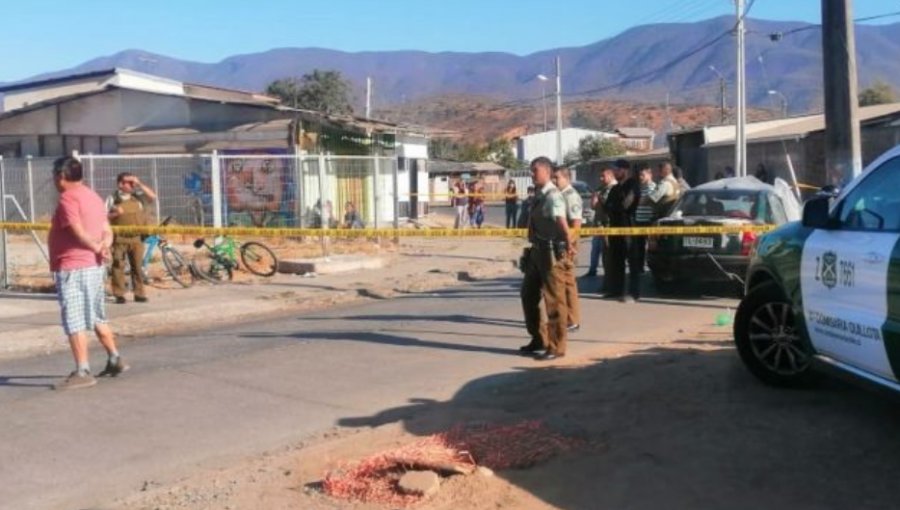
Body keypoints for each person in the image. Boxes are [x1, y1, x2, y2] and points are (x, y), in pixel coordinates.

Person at [49, 156, 129, 390]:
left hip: (74, 266)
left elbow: (76, 230)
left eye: (55, 175)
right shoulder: (91, 196)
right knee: (95, 314)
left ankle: (82, 370)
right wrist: (104, 246)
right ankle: (115, 358)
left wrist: (96, 247)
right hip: (93, 266)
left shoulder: (68, 198)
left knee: (74, 318)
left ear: (61, 176)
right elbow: (107, 229)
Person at [519, 156, 572, 361]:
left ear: (547, 172)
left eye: (535, 171)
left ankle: (557, 346)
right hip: (536, 251)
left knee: (554, 301)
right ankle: (539, 338)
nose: (532, 175)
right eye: (531, 171)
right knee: (528, 295)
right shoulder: (539, 195)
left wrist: (568, 244)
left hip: (550, 253)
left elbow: (562, 222)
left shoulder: (552, 196)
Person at [106, 172, 156, 304]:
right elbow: (103, 217)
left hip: (137, 238)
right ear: (120, 184)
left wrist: (139, 183)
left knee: (137, 266)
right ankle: (119, 294)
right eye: (129, 182)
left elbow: (152, 196)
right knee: (118, 266)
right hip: (120, 238)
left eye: (133, 182)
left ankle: (139, 293)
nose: (132, 185)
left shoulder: (138, 197)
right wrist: (115, 213)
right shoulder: (113, 198)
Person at [603, 159, 640, 302]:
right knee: (616, 260)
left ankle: (633, 293)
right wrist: (611, 205)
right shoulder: (615, 188)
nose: (614, 173)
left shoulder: (633, 185)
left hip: (628, 228)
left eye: (617, 170)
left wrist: (614, 206)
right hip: (614, 228)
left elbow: (625, 206)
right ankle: (616, 290)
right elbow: (608, 207)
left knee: (632, 262)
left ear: (624, 170)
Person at [552, 166, 583, 333]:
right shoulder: (559, 195)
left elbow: (576, 224)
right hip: (559, 242)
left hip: (567, 244)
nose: (554, 181)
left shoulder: (571, 196)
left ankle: (573, 319)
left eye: (557, 178)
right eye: (553, 178)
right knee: (560, 283)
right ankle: (564, 316)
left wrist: (570, 245)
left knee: (568, 282)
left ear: (566, 178)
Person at [628, 165, 658, 302]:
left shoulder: (653, 187)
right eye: (639, 175)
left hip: (648, 221)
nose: (641, 178)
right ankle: (639, 269)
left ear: (649, 174)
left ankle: (649, 270)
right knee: (638, 248)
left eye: (643, 175)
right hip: (639, 221)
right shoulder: (640, 188)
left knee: (649, 248)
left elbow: (650, 202)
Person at [584, 168, 617, 286]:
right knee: (596, 248)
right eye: (600, 176)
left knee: (608, 252)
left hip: (608, 224)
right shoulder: (601, 188)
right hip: (599, 223)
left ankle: (610, 279)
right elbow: (594, 205)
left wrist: (600, 198)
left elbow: (610, 205)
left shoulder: (614, 188)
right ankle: (594, 271)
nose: (601, 179)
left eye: (603, 176)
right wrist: (595, 198)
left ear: (610, 175)